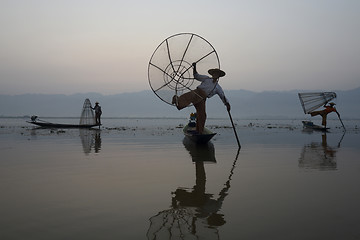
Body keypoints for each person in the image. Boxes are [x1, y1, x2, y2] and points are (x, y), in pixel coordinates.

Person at [172, 62, 231, 134]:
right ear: (212, 74)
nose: (215, 75)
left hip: (202, 98)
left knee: (202, 115)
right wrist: (194, 67)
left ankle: (199, 131)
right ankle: (176, 99)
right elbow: (196, 76)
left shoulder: (218, 87)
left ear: (219, 76)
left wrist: (227, 104)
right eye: (214, 73)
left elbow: (223, 96)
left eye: (217, 74)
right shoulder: (206, 78)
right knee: (186, 98)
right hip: (197, 92)